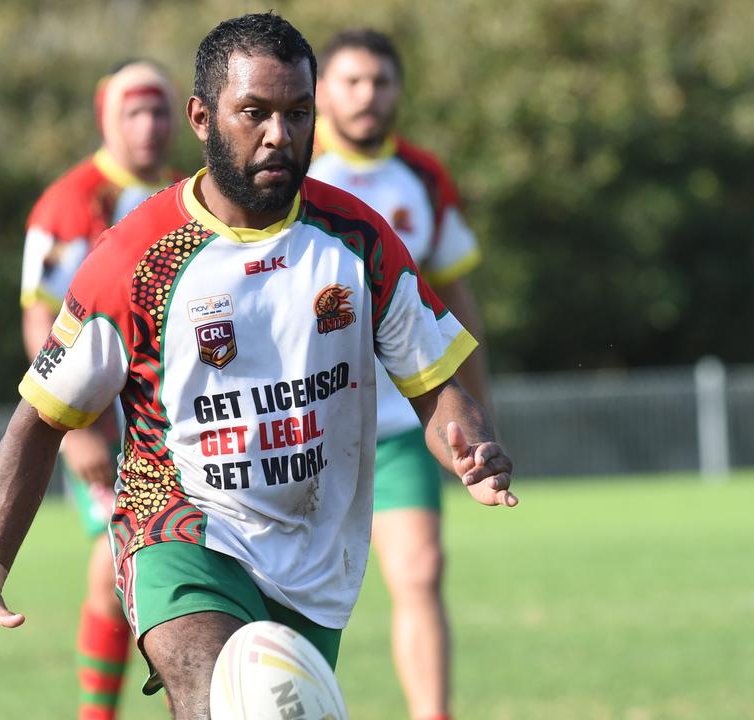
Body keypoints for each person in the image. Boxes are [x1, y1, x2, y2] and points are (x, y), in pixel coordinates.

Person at [0, 13, 517, 719]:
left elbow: (434, 382)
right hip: (178, 525)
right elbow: (40, 420)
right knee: (218, 696)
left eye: (298, 114)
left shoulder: (357, 240)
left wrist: (470, 441)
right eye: (254, 112)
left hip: (311, 551)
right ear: (202, 117)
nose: (278, 134)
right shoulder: (133, 261)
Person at [310, 28, 489, 720]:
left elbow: (458, 300)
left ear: (398, 92)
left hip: (400, 425)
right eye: (351, 81)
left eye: (380, 81)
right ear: (322, 92)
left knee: (420, 573)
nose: (367, 95)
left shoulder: (421, 176)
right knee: (300, 594)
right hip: (308, 429)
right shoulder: (293, 169)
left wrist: (477, 409)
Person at [19, 59, 180, 720]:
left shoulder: (192, 192)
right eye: (133, 112)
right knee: (119, 556)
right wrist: (76, 425)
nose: (148, 126)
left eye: (159, 111)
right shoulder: (69, 201)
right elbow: (39, 317)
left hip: (184, 419)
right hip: (106, 421)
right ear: (105, 117)